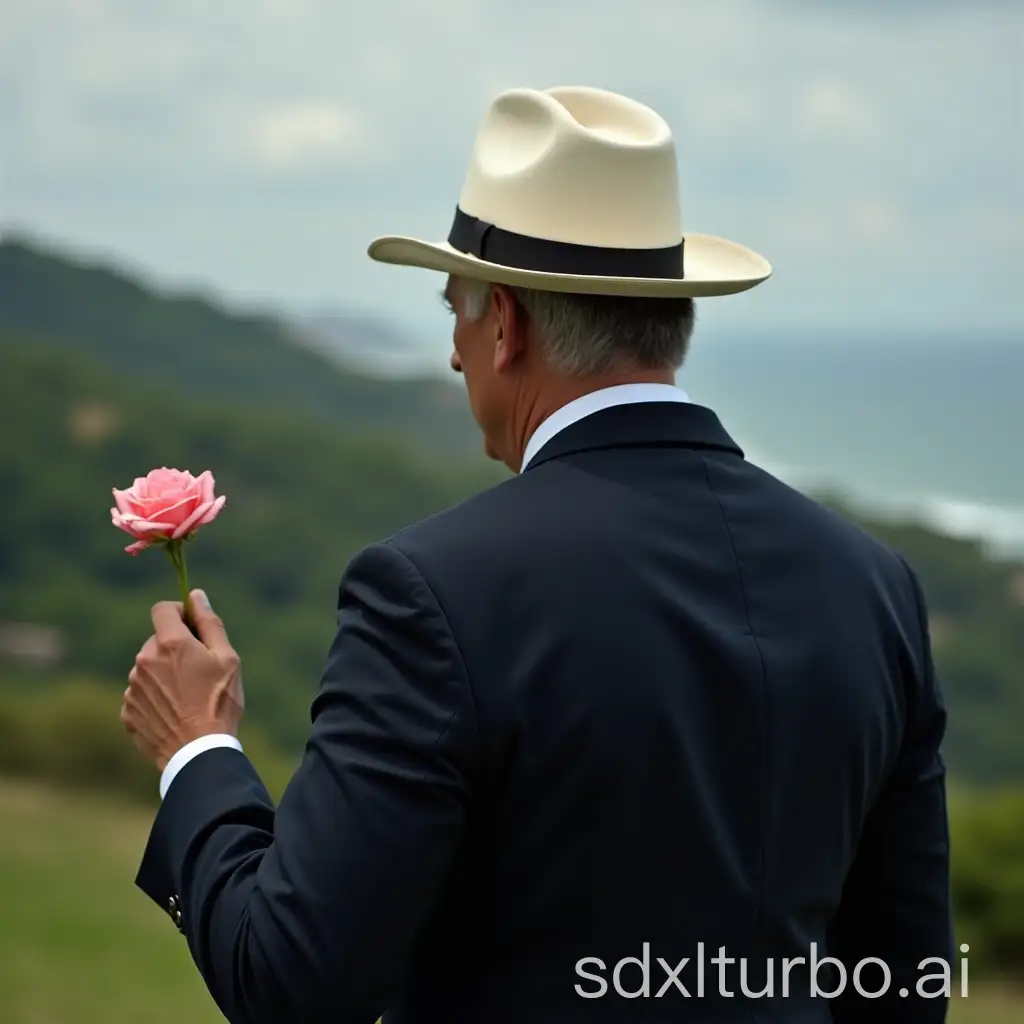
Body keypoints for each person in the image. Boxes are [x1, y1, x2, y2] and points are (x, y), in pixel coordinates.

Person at [121, 86, 954, 1023]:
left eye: (456, 313)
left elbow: (291, 984)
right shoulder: (876, 586)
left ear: (506, 324)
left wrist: (199, 750)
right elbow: (907, 985)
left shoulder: (431, 595)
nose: (452, 355)